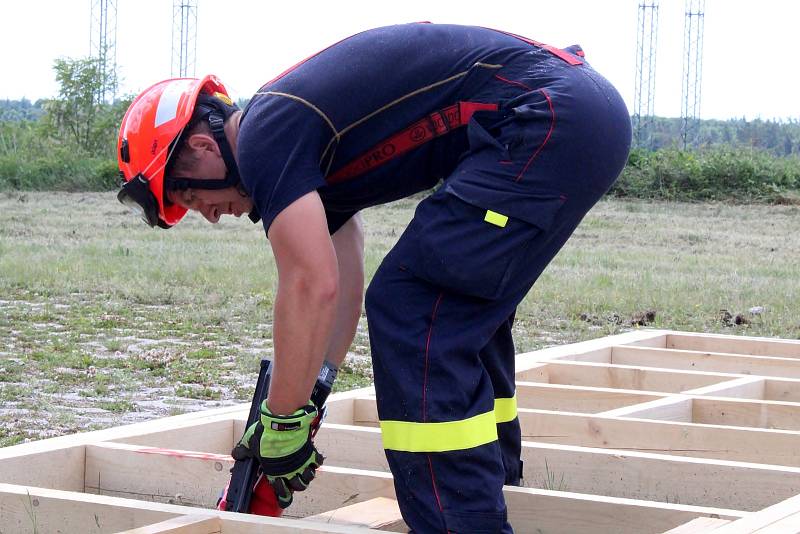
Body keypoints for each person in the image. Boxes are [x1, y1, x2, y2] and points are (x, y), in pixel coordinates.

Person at [116, 23, 631, 533]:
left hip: (544, 116)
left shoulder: (264, 136)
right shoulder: (294, 143)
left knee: (417, 308)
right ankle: (495, 485)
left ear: (204, 148)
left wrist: (281, 420)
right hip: (569, 111)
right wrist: (308, 399)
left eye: (188, 197)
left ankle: (461, 522)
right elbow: (337, 278)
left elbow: (308, 284)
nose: (207, 214)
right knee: (459, 304)